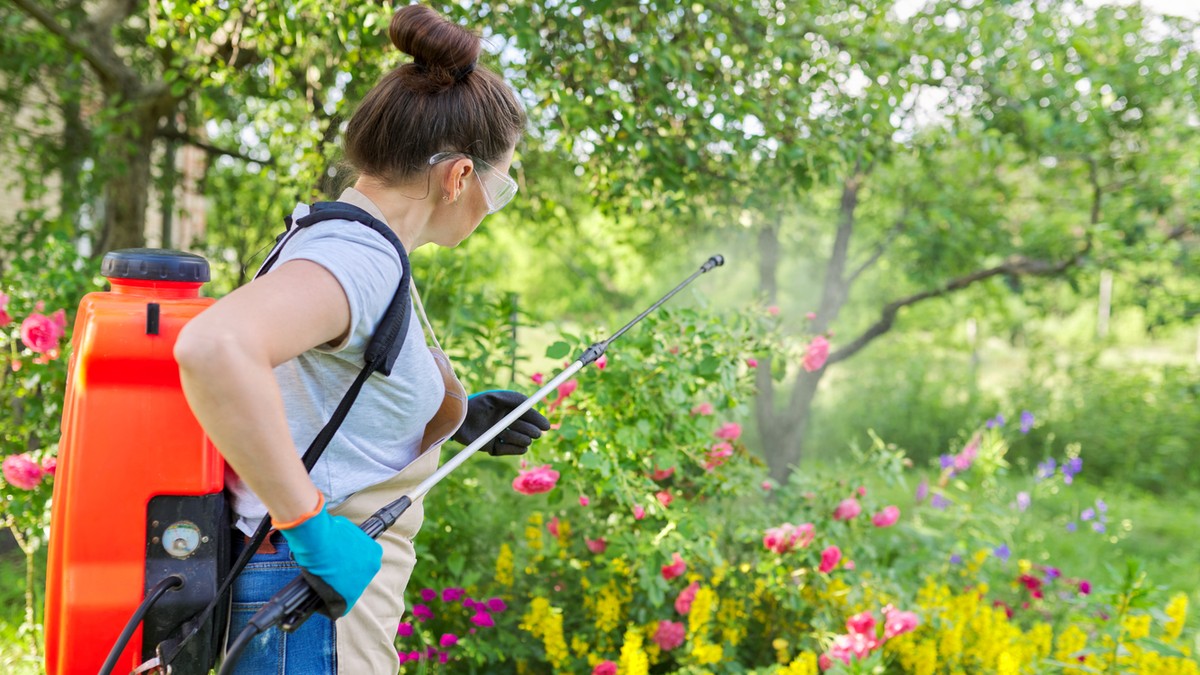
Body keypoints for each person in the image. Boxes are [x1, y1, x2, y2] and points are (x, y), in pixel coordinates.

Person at [174, 4, 548, 673]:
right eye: (501, 185)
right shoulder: (362, 258)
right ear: (458, 176)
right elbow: (215, 346)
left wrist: (453, 415)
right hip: (303, 611)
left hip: (305, 608)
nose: (493, 205)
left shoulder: (345, 240)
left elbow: (316, 394)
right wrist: (311, 527)